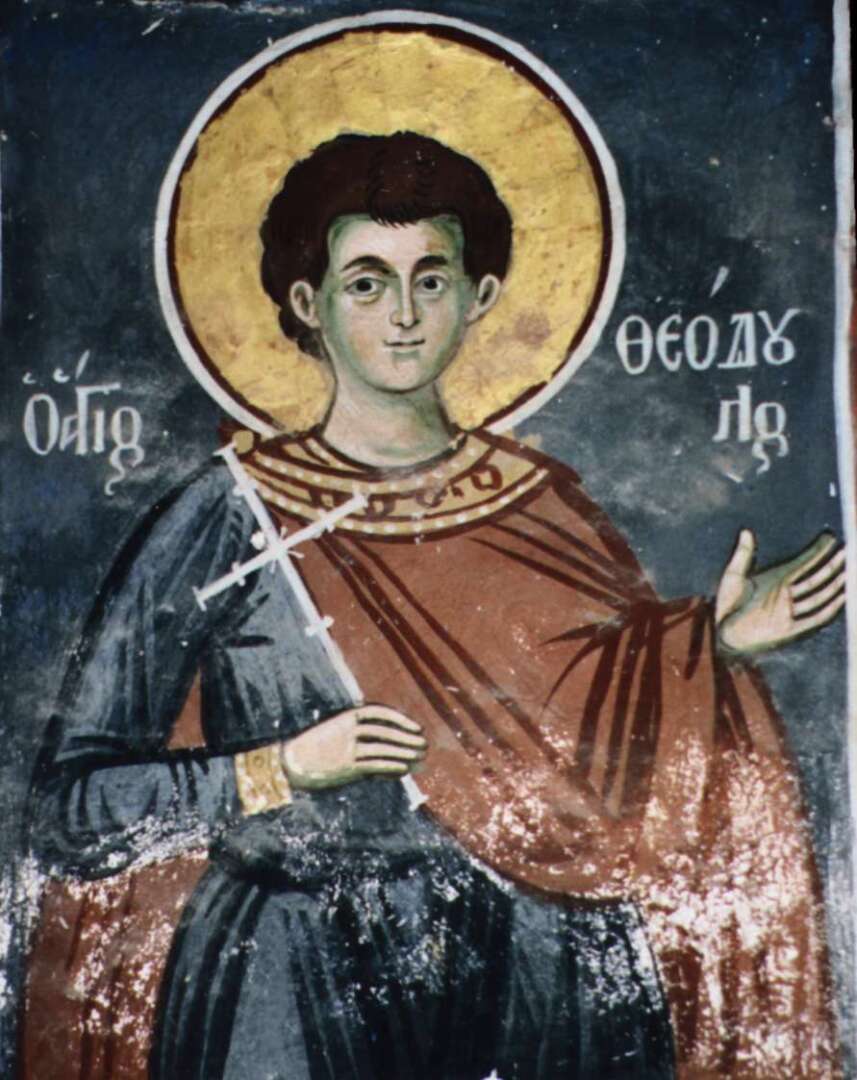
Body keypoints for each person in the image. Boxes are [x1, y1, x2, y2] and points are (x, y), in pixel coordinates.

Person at [25, 132, 845, 1079]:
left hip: (533, 970)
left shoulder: (541, 511)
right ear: (309, 304)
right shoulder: (225, 514)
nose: (404, 316)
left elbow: (598, 766)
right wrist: (276, 769)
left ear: (478, 295)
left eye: (431, 278)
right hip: (291, 977)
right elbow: (68, 812)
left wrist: (713, 649)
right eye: (367, 283)